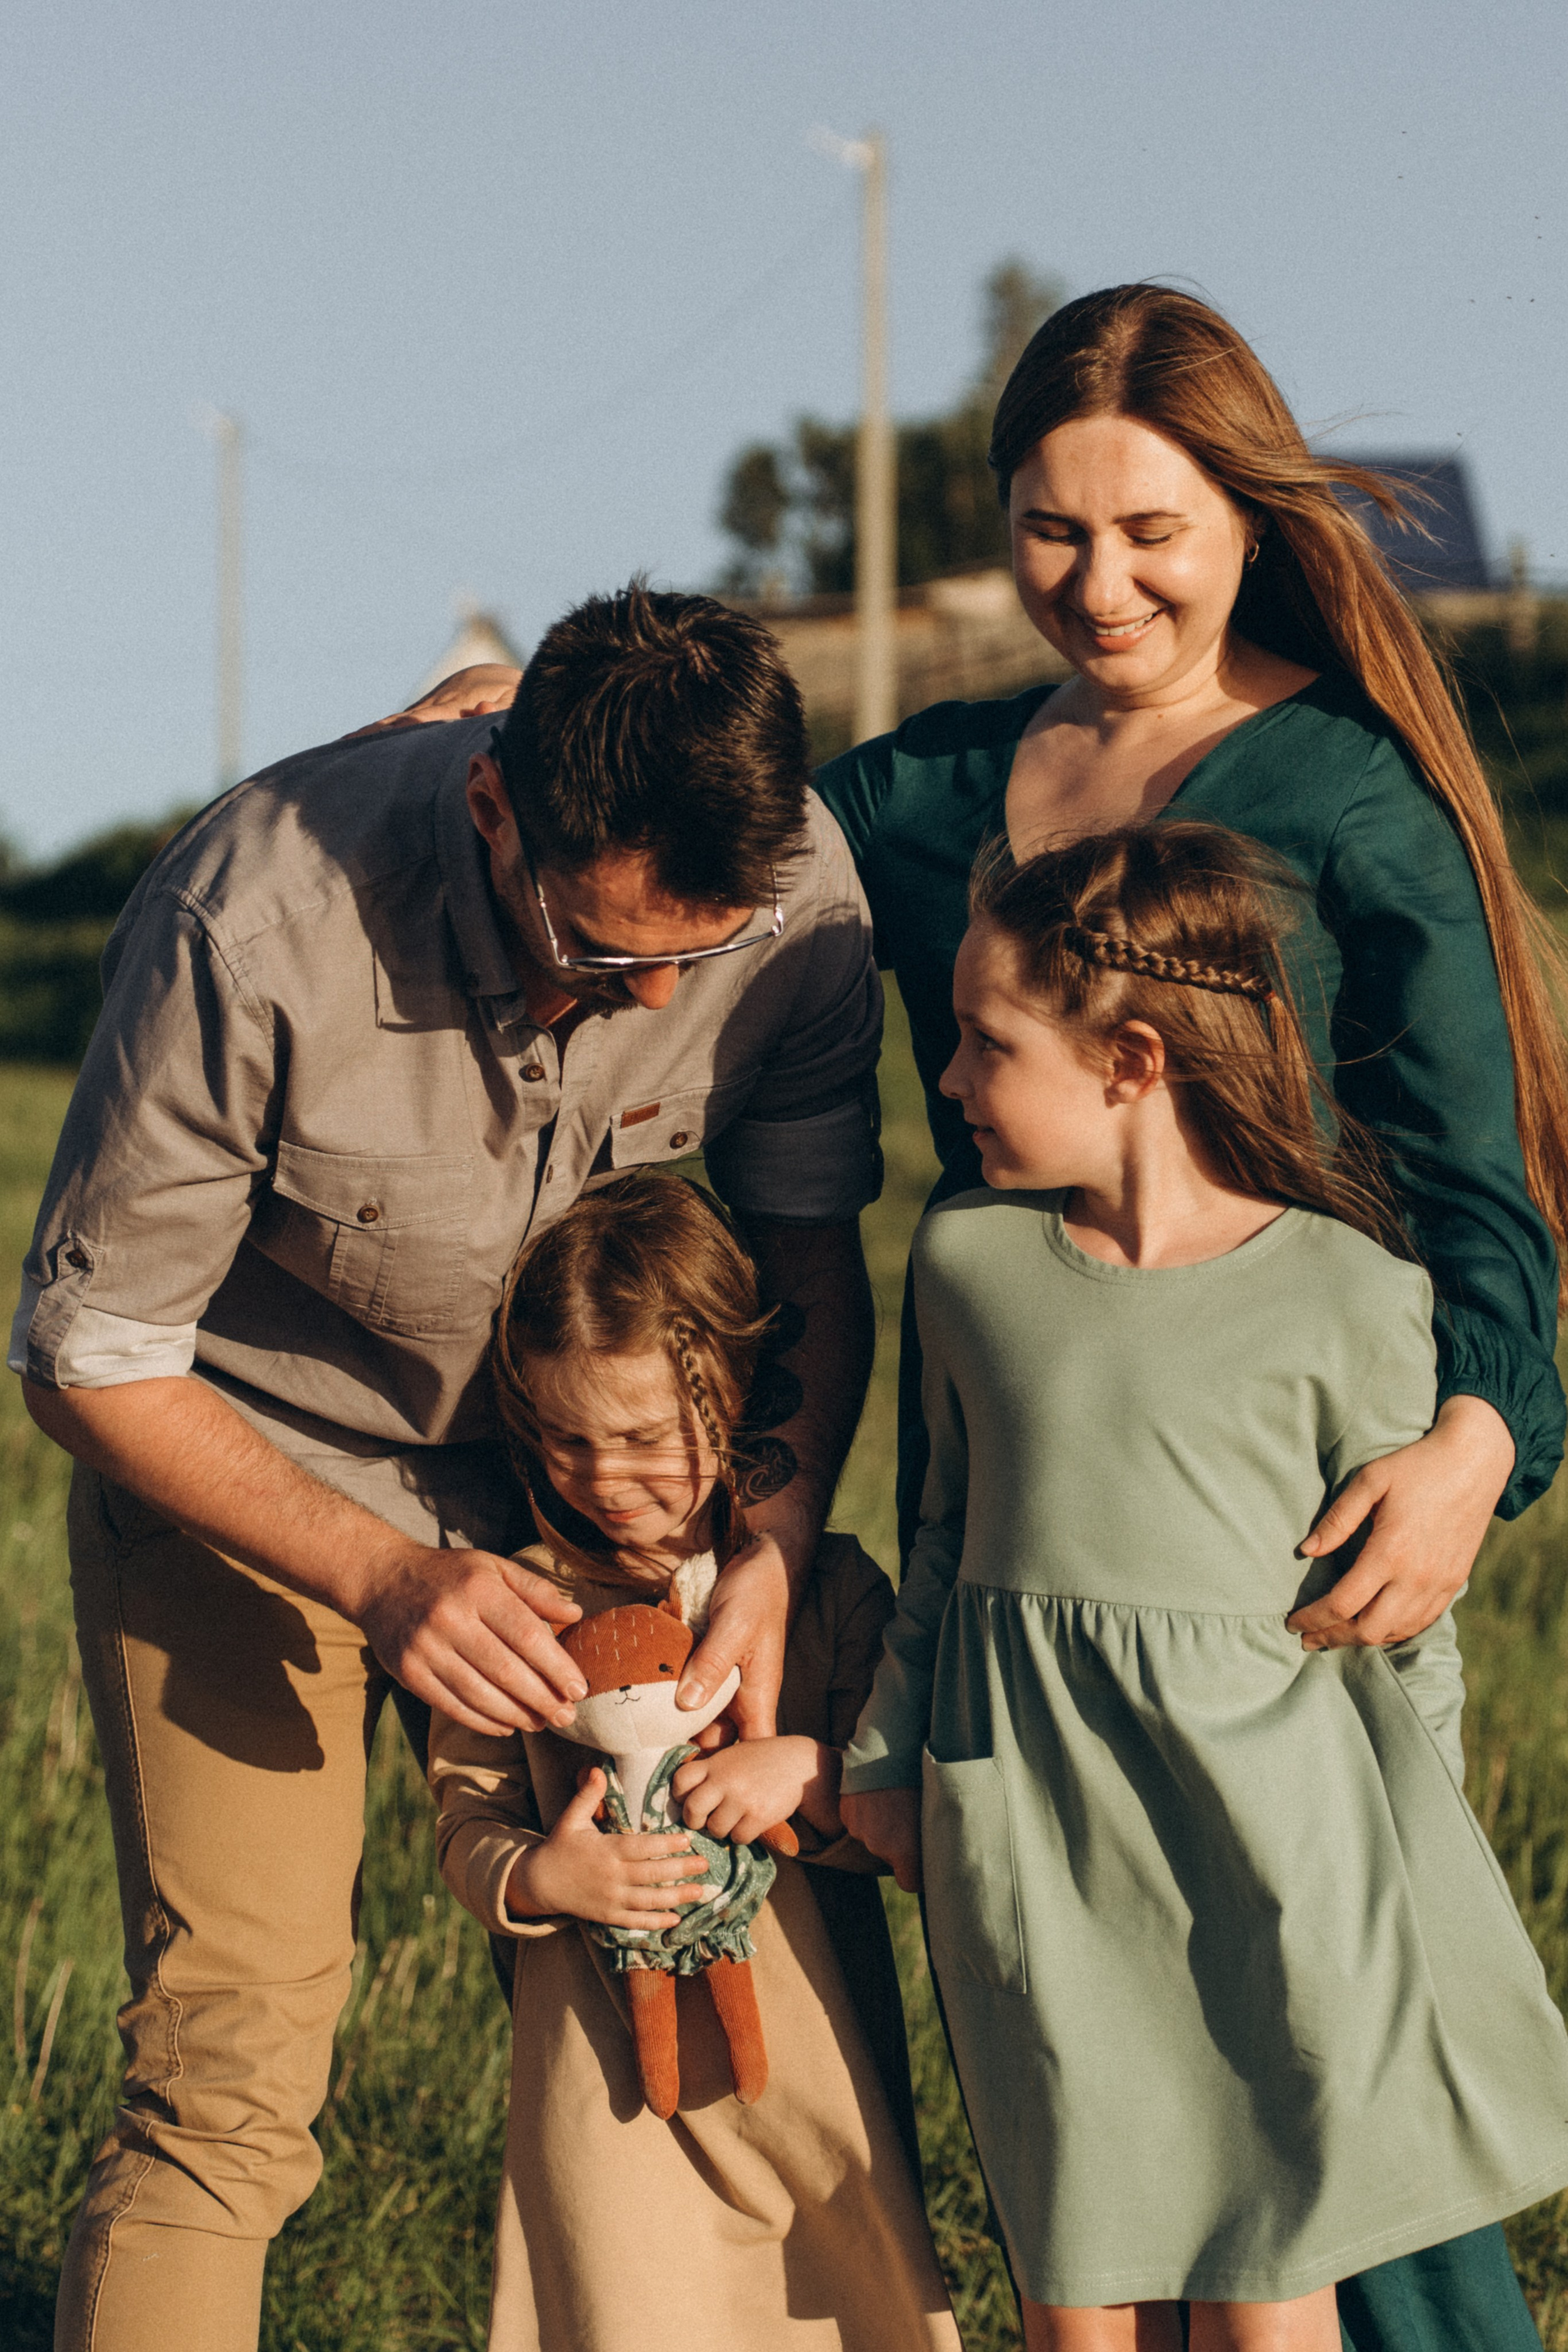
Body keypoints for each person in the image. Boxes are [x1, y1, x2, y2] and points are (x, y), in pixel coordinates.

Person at [810, 283, 1568, 2351]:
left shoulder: (1349, 792)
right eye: (1054, 530)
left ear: (1248, 511)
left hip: (1287, 1505)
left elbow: (1485, 1190)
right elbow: (704, 853)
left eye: (1154, 528)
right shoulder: (932, 791)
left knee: (1329, 2063)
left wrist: (1475, 1448)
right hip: (1036, 1521)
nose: (1102, 581)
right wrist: (498, 730)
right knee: (1105, 2113)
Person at [10, 584, 883, 2352]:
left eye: (693, 962)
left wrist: (771, 1541)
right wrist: (387, 1579)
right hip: (246, 1479)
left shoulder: (800, 893)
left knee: (702, 2010)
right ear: (495, 807)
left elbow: (805, 1249)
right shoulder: (250, 922)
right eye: (606, 948)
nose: (653, 997)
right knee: (229, 2073)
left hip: (591, 1519)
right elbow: (90, 1355)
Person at [429, 1170, 960, 2351]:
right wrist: (538, 1879)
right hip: (603, 2073)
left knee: (834, 2304)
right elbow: (464, 1817)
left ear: (732, 1397)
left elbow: (916, 1810)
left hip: (809, 2070)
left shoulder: (819, 1594)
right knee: (629, 2306)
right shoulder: (517, 1606)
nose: (605, 1479)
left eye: (640, 1438)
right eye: (565, 1438)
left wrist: (812, 1775)